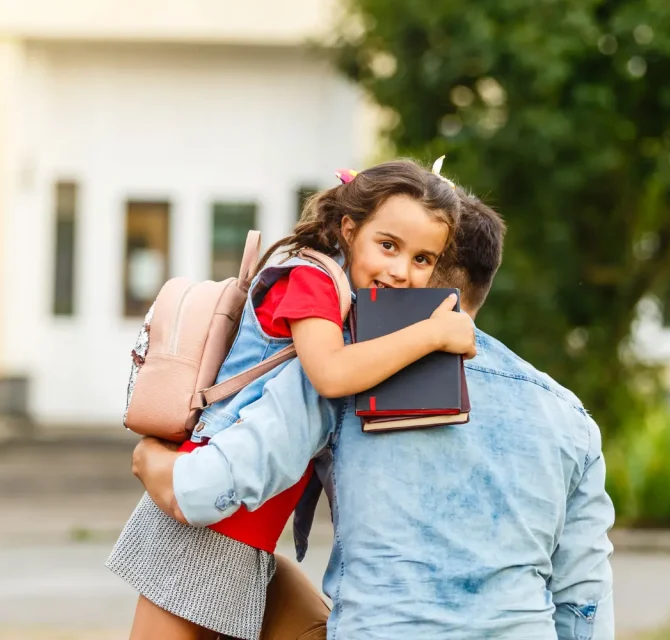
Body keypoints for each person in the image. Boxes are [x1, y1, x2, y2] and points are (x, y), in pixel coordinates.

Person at [133, 191, 617, 639]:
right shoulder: (569, 418)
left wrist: (153, 457)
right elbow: (583, 602)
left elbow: (204, 491)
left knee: (260, 578)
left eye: (414, 256)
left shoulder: (346, 372)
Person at [106, 159, 478, 640]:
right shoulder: (313, 279)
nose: (401, 270)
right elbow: (330, 373)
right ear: (349, 229)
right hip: (208, 519)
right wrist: (432, 335)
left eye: (422, 259)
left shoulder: (356, 304)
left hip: (244, 527)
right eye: (388, 246)